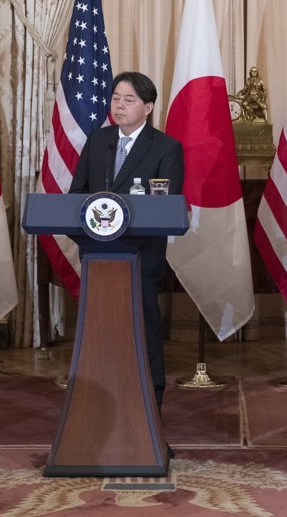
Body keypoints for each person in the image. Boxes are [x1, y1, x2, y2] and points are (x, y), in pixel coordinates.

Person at [69, 71, 184, 410]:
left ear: (147, 107)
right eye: (116, 98)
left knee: (143, 330)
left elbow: (166, 207)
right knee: (100, 330)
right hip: (98, 256)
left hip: (141, 258)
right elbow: (77, 195)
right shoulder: (98, 140)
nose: (119, 106)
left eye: (128, 100)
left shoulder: (166, 148)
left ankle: (150, 402)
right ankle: (99, 400)